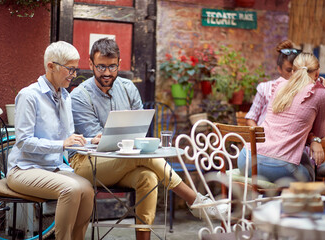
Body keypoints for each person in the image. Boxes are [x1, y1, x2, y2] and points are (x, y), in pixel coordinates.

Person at [70, 38, 225, 240]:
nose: (107, 73)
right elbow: (99, 144)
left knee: (149, 178)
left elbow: (139, 130)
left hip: (124, 162)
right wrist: (129, 143)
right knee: (141, 156)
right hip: (88, 164)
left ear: (119, 63)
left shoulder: (128, 88)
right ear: (90, 64)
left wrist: (130, 142)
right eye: (100, 66)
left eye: (112, 66)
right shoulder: (80, 96)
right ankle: (195, 200)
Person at [6, 41, 94, 240]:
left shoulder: (65, 96)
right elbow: (24, 141)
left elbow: (68, 138)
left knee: (87, 189)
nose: (73, 75)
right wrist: (61, 144)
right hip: (23, 168)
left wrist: (90, 140)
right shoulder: (29, 96)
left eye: (75, 69)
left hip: (52, 168)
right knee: (70, 189)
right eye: (69, 69)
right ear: (51, 66)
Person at [238, 52, 325, 183]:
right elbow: (320, 132)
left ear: (293, 71)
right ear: (317, 73)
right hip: (279, 167)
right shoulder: (321, 94)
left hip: (246, 159)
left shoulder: (279, 85)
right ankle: (288, 202)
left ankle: (270, 200)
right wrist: (323, 89)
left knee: (302, 157)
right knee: (309, 172)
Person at [245, 40, 301, 126]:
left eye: (296, 70)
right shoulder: (266, 88)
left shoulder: (303, 91)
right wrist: (259, 137)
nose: (293, 74)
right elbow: (251, 118)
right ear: (279, 69)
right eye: (289, 70)